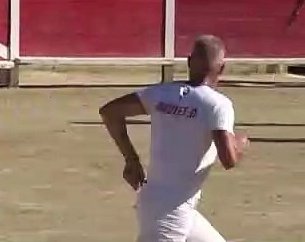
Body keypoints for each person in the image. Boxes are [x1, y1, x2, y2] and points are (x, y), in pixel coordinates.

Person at [98, 35, 248, 242]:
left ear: (188, 62)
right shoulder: (218, 105)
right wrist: (240, 143)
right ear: (222, 68)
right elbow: (229, 159)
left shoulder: (161, 93)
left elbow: (110, 111)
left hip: (158, 201)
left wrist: (131, 160)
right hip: (172, 211)